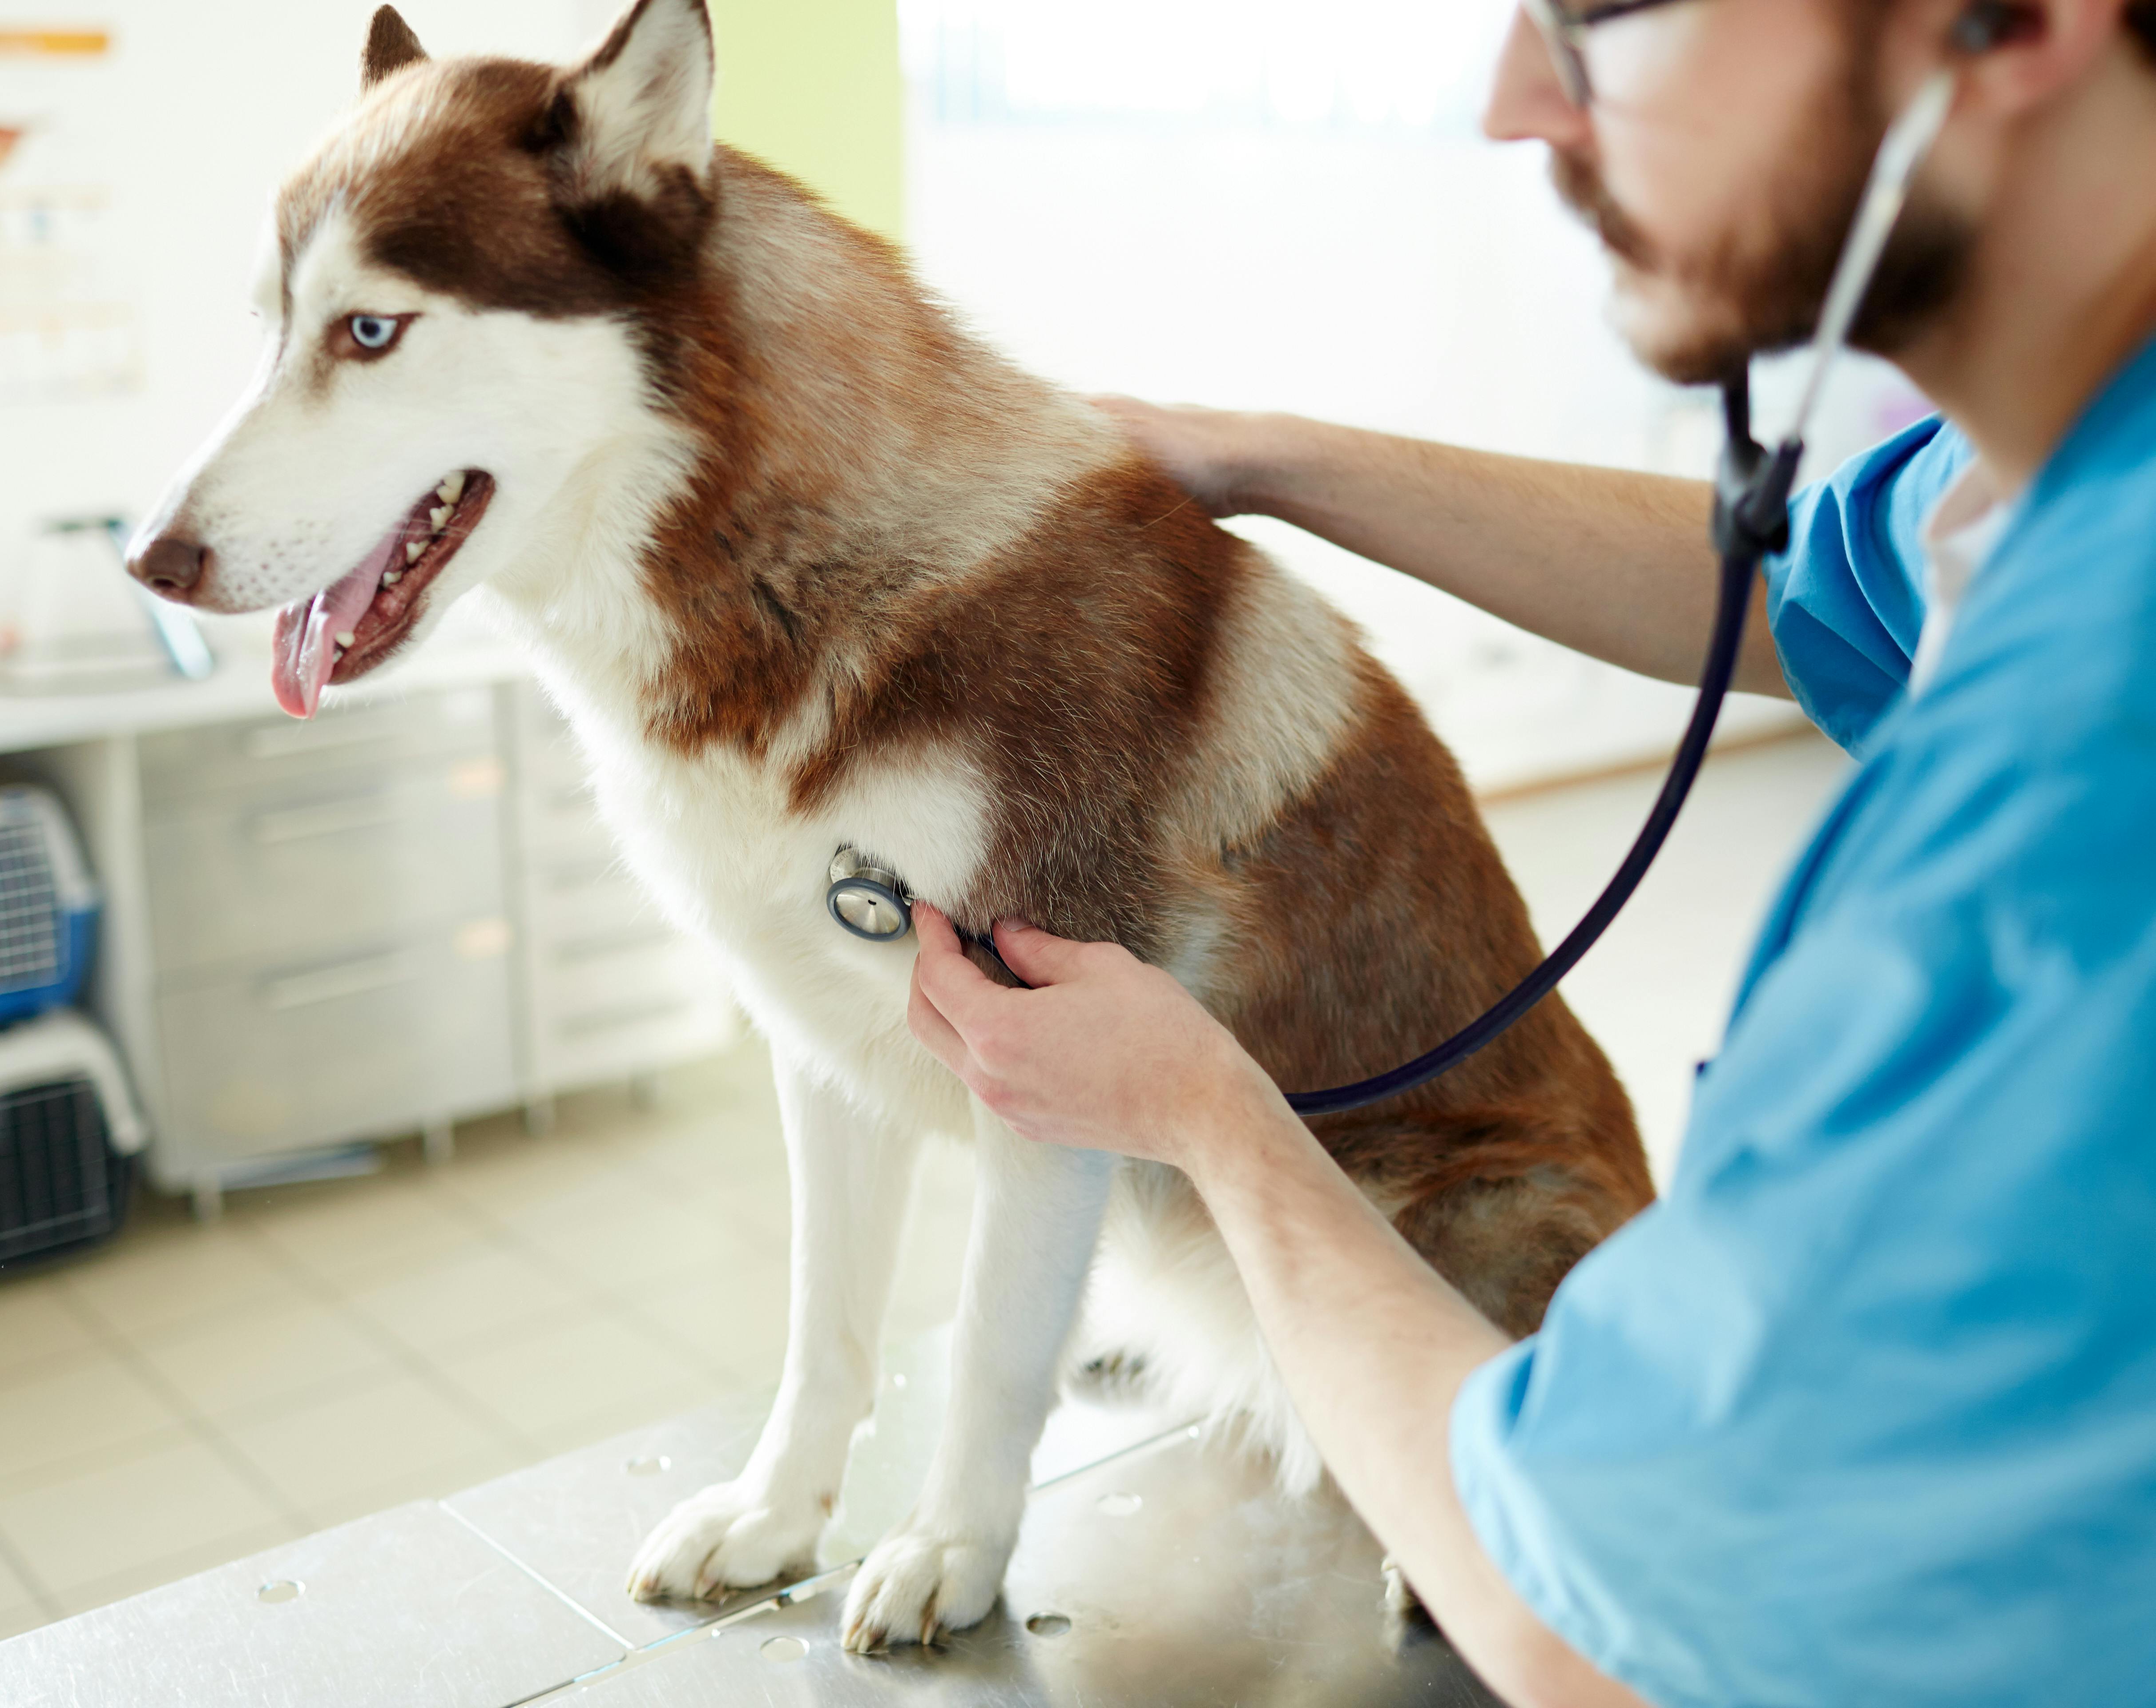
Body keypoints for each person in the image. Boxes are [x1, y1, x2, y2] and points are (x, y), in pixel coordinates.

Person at [899, 3, 2156, 1705]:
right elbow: (1807, 592)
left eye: (1607, 12)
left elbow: (1593, 1632)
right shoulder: (2042, 480)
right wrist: (1264, 461)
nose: (1515, 105)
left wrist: (1208, 1116)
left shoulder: (2066, 793)